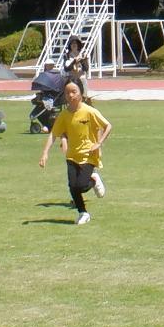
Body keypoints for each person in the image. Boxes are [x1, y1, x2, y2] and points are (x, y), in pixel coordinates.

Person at [39, 75, 111, 225]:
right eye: (67, 92)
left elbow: (107, 126)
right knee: (72, 186)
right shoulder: (64, 115)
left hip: (88, 155)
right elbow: (54, 134)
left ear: (81, 92)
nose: (70, 95)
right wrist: (45, 153)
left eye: (74, 91)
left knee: (82, 186)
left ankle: (94, 179)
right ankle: (83, 212)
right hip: (71, 155)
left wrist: (99, 143)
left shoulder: (89, 111)